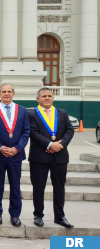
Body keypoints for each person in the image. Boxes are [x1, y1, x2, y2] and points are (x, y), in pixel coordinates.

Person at [28, 87, 75, 228]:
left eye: (49, 96)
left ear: (53, 98)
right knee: (38, 187)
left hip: (60, 156)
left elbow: (69, 130)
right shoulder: (31, 114)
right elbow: (33, 132)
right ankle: (38, 215)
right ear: (38, 99)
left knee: (59, 187)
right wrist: (49, 144)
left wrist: (60, 145)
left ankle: (60, 216)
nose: (47, 98)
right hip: (39, 157)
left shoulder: (62, 113)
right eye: (44, 96)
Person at [0, 84, 30, 227]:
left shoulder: (22, 110)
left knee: (15, 186)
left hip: (16, 155)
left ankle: (15, 214)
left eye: (9, 91)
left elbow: (26, 131)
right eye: (3, 92)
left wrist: (17, 148)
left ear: (13, 94)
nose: (6, 94)